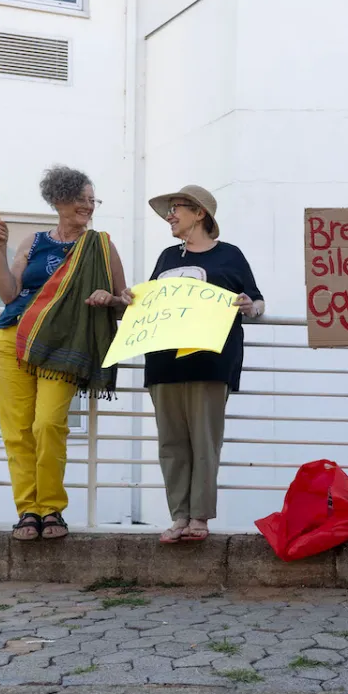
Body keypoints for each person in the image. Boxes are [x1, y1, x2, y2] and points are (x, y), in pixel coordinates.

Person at [0, 165, 127, 541]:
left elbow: (124, 299)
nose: (88, 206)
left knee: (48, 423)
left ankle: (52, 508)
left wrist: (109, 297)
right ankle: (28, 511)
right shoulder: (33, 242)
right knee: (17, 431)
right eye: (81, 199)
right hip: (12, 338)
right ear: (58, 200)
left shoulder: (101, 245)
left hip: (62, 345)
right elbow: (8, 294)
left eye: (91, 200)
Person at [121, 185, 264, 544]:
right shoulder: (167, 257)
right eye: (169, 210)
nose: (170, 215)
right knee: (170, 443)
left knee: (204, 440)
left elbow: (258, 302)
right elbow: (151, 303)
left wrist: (250, 306)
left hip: (210, 363)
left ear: (199, 213)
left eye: (176, 208)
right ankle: (179, 516)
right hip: (163, 363)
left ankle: (199, 516)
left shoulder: (230, 255)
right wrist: (130, 299)